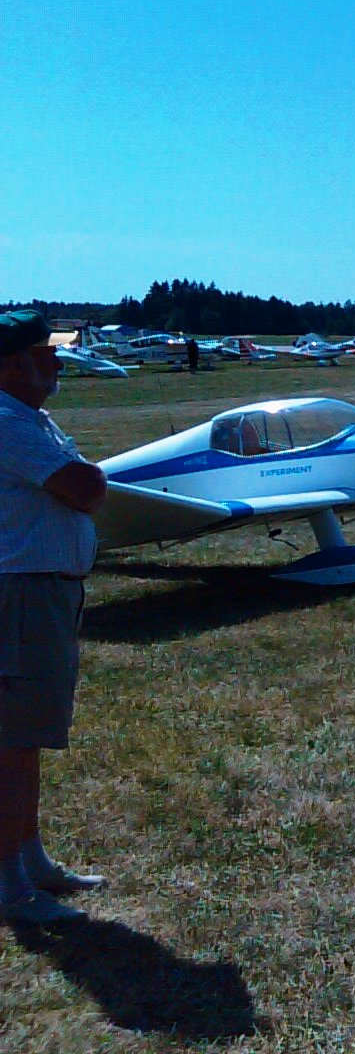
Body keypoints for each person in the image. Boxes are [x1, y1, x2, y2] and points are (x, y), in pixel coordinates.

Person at [0, 309, 108, 924]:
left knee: (28, 735)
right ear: (12, 364)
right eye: (44, 353)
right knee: (13, 740)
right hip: (23, 593)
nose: (57, 360)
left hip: (45, 591)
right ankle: (9, 885)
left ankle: (31, 861)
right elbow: (86, 488)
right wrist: (87, 480)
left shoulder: (31, 419)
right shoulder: (7, 422)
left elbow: (80, 484)